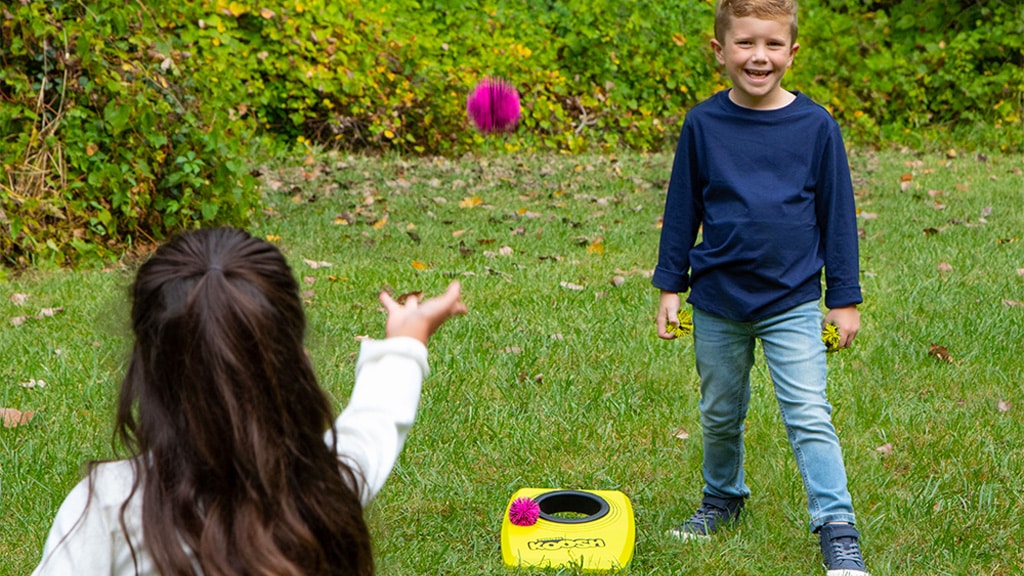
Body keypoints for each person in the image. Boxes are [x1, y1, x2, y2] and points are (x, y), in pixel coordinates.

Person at [32, 227, 467, 576]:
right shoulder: (320, 487)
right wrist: (407, 341)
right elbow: (377, 419)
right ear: (296, 362)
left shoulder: (111, 504)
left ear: (147, 374)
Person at [652, 0, 868, 574]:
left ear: (792, 53)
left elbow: (837, 214)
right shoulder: (703, 124)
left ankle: (837, 524)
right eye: (745, 43)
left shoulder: (816, 126)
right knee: (720, 410)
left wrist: (843, 297)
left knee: (808, 413)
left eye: (772, 44)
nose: (759, 56)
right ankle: (722, 498)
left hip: (792, 298)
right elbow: (682, 210)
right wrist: (670, 285)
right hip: (718, 298)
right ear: (720, 50)